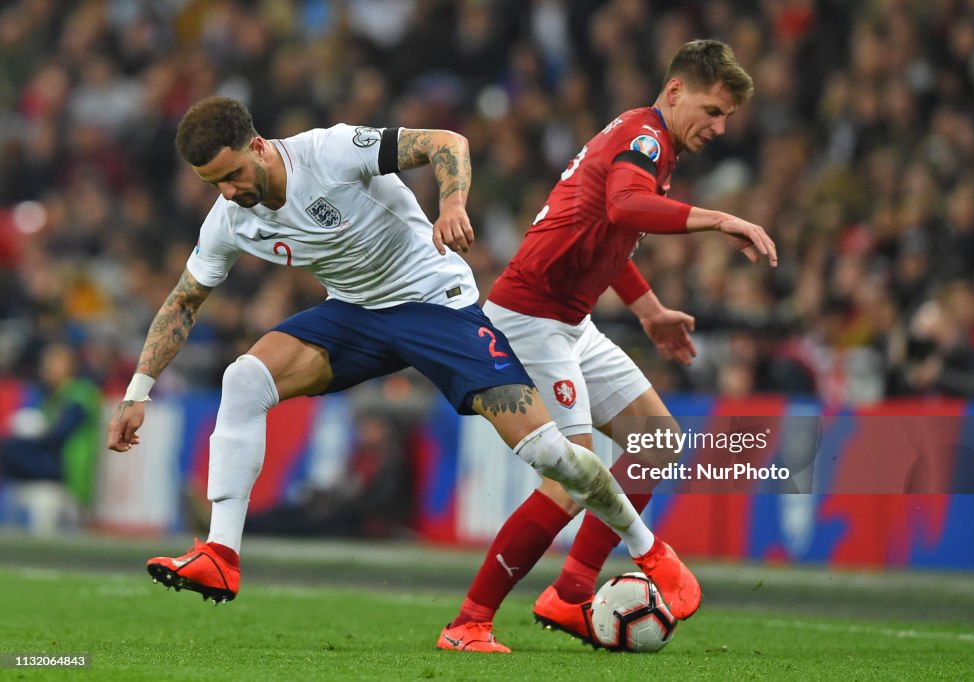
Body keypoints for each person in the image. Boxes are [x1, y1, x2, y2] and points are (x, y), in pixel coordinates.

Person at [105, 96, 697, 652]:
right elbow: (184, 301)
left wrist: (454, 203)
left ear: (258, 146)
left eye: (232, 175)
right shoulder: (229, 219)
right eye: (214, 184)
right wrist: (139, 391)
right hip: (356, 316)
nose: (229, 193)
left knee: (554, 457)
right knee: (244, 379)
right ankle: (220, 554)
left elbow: (446, 141)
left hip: (435, 303)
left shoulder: (328, 151)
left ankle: (647, 549)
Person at [441, 39, 777, 650]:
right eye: (712, 110)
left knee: (657, 442)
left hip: (571, 322)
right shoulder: (644, 139)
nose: (720, 127)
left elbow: (607, 229)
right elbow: (626, 208)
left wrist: (649, 310)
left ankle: (570, 593)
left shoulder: (648, 140)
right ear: (675, 92)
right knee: (571, 478)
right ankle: (469, 622)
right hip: (529, 318)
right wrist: (721, 219)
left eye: (727, 117)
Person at [1, 342, 103, 535]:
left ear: (70, 365)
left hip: (71, 473)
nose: (46, 368)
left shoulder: (80, 394)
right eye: (45, 363)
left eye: (53, 362)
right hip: (55, 470)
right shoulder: (52, 398)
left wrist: (21, 443)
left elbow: (58, 436)